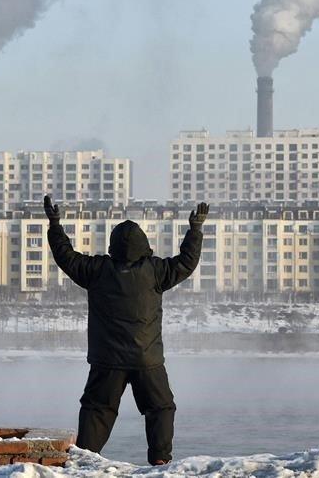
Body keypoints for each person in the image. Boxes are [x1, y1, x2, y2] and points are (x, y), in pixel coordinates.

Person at [44, 195, 209, 466]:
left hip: (107, 360)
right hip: (147, 359)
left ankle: (83, 462)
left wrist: (55, 224)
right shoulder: (156, 271)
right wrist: (195, 230)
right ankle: (159, 461)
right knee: (161, 408)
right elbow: (186, 263)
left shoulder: (97, 270)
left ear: (112, 245)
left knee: (98, 409)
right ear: (144, 245)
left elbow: (66, 257)